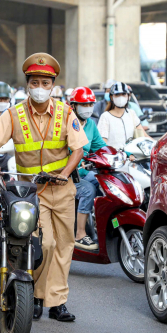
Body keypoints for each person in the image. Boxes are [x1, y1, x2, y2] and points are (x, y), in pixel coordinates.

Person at [0, 52, 88, 322]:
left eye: (45, 83)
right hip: (31, 193)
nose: (40, 88)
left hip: (63, 190)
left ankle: (56, 303)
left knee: (65, 245)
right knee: (45, 244)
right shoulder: (14, 114)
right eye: (35, 82)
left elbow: (78, 149)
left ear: (52, 85)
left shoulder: (66, 113)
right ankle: (37, 296)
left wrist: (65, 174)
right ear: (27, 84)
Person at [68, 87, 106, 250]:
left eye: (91, 104)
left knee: (103, 183)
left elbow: (100, 147)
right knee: (88, 189)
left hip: (83, 173)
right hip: (66, 174)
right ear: (74, 106)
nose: (88, 108)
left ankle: (98, 225)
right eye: (84, 105)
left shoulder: (90, 124)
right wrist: (80, 157)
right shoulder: (67, 122)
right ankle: (80, 234)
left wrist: (117, 153)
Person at [97, 82, 149, 157]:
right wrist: (121, 153)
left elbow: (144, 136)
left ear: (128, 96)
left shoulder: (132, 113)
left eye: (123, 94)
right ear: (111, 97)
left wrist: (157, 144)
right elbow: (103, 144)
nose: (120, 97)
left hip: (133, 160)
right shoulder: (105, 117)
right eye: (117, 95)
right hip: (114, 161)